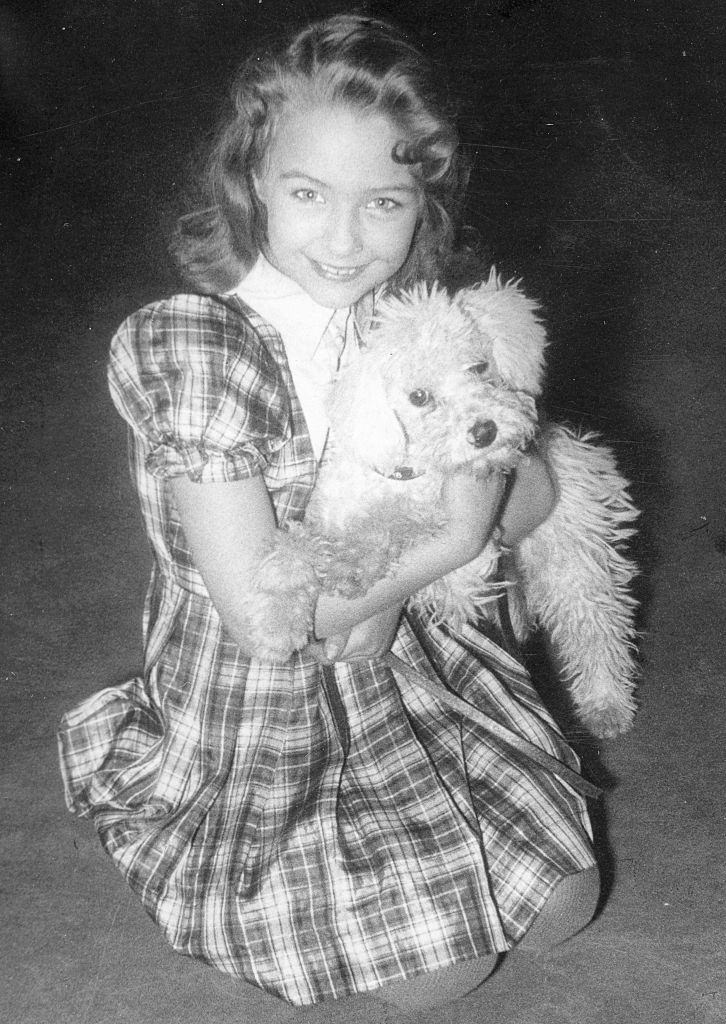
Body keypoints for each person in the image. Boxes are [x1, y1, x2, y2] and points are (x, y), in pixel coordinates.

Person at [58, 14, 599, 1010]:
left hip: (401, 670)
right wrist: (447, 536)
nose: (346, 241)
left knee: (566, 900)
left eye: (383, 201)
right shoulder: (201, 349)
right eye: (309, 193)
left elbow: (535, 488)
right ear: (253, 178)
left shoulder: (416, 323)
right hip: (260, 708)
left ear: (422, 203)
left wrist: (433, 555)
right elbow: (273, 621)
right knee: (445, 974)